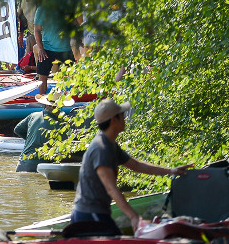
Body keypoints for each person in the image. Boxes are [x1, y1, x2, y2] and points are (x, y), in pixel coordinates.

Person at [70, 99, 189, 234]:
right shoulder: (101, 149)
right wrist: (133, 216)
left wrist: (171, 170)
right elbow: (111, 188)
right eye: (122, 115)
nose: (125, 118)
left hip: (97, 213)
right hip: (89, 215)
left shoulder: (111, 145)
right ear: (114, 120)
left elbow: (136, 165)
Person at [12, 91, 79, 173]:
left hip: (23, 164)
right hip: (44, 167)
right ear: (61, 106)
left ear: (46, 104)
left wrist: (31, 139)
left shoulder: (33, 115)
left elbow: (17, 130)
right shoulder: (64, 124)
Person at [32, 4, 75, 97]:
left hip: (66, 48)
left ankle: (75, 98)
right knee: (42, 76)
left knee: (73, 74)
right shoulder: (42, 9)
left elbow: (75, 25)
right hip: (47, 48)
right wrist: (41, 48)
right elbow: (37, 30)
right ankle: (42, 99)